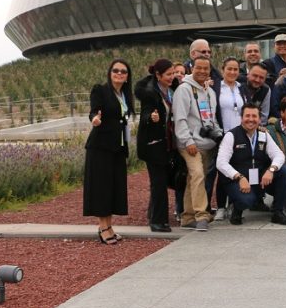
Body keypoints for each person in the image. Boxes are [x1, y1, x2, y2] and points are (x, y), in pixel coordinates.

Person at [216, 104, 286, 226]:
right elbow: (221, 163)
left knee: (285, 172)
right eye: (247, 116)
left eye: (254, 116)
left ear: (259, 119)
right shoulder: (231, 135)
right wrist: (239, 177)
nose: (251, 119)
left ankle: (277, 212)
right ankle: (236, 207)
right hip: (237, 180)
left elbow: (279, 155)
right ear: (241, 118)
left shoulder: (264, 134)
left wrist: (271, 170)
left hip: (258, 178)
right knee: (247, 201)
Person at [84, 59, 134, 244]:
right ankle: (103, 227)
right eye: (115, 70)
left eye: (123, 71)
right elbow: (94, 110)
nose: (119, 74)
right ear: (110, 72)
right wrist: (94, 119)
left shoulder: (124, 95)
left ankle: (109, 225)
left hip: (118, 148)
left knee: (114, 187)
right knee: (102, 188)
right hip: (101, 147)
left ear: (127, 76)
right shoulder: (101, 90)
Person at [172, 57, 221, 231]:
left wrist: (218, 135)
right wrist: (187, 141)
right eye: (198, 67)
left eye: (205, 68)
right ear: (191, 68)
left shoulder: (210, 92)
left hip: (207, 144)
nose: (202, 71)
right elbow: (180, 118)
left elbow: (212, 119)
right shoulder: (183, 90)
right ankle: (202, 215)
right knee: (198, 174)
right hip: (190, 145)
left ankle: (187, 217)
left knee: (194, 179)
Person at [134, 58, 179, 233]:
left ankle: (154, 214)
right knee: (158, 183)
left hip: (169, 143)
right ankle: (158, 221)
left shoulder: (173, 90)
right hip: (154, 145)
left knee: (163, 181)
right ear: (158, 75)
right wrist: (150, 118)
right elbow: (145, 114)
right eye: (168, 74)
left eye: (173, 73)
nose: (172, 77)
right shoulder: (151, 93)